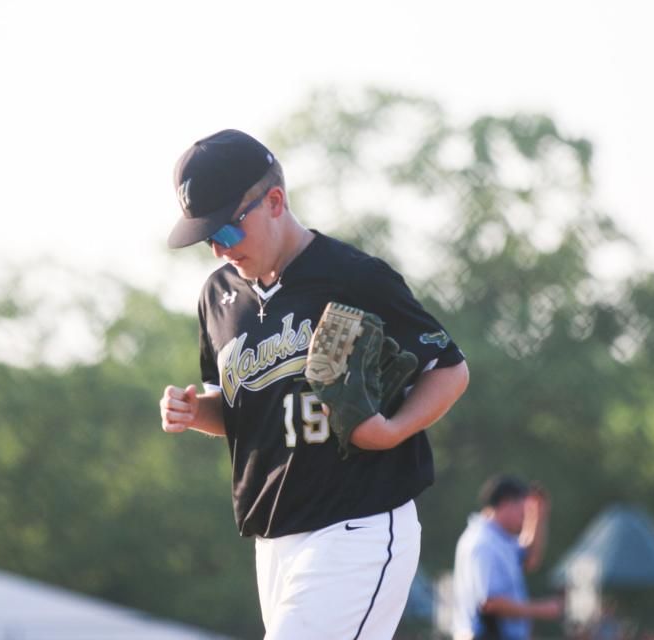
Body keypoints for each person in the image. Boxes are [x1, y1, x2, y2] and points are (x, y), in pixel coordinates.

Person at [159, 129, 470, 639]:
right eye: (206, 238)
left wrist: (392, 430)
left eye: (227, 231)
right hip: (273, 538)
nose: (218, 249)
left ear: (274, 201)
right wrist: (198, 412)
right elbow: (239, 411)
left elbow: (450, 368)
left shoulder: (353, 276)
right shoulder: (217, 297)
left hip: (357, 525)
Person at [451, 474, 563, 640]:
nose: (524, 517)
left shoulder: (498, 539)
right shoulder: (483, 543)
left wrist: (537, 518)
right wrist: (541, 609)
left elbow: (530, 558)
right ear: (506, 504)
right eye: (522, 510)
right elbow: (490, 603)